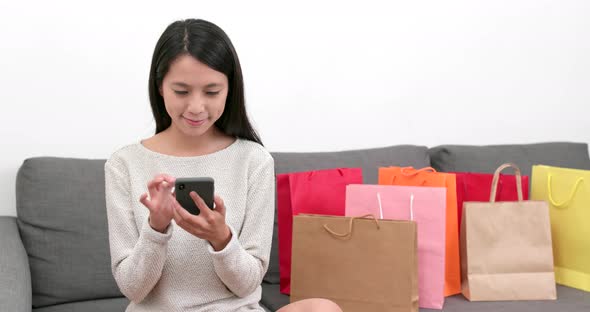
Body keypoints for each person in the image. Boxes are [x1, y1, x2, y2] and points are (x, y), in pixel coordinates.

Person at [104, 18, 342, 312]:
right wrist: (156, 228)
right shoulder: (124, 164)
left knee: (322, 308)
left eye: (212, 92)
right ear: (160, 86)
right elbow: (133, 289)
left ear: (230, 90)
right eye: (181, 91)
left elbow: (246, 284)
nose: (196, 107)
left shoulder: (254, 161)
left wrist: (221, 238)